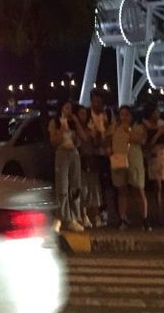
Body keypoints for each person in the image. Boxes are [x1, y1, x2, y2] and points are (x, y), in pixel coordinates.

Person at [108, 105, 150, 230]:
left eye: (127, 115)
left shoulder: (138, 127)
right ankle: (122, 218)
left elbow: (141, 141)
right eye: (122, 115)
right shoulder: (114, 128)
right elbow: (107, 140)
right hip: (119, 162)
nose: (124, 117)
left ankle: (144, 218)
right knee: (121, 190)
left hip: (134, 161)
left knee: (138, 189)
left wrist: (129, 131)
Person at [49, 99, 83, 232]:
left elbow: (81, 140)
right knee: (62, 188)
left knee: (75, 187)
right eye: (66, 108)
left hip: (74, 154)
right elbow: (53, 142)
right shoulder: (54, 122)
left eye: (70, 108)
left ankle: (75, 217)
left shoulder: (74, 123)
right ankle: (62, 217)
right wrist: (62, 129)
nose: (69, 111)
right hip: (62, 154)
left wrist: (76, 123)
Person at [74, 104, 102, 229]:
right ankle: (83, 215)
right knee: (83, 188)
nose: (84, 116)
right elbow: (83, 138)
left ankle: (95, 216)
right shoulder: (75, 129)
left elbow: (96, 143)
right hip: (81, 159)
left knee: (93, 189)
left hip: (91, 159)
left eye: (85, 114)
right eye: (81, 114)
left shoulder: (91, 127)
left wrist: (96, 133)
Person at [88, 89, 113, 225]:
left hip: (106, 154)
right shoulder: (87, 115)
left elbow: (111, 133)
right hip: (93, 154)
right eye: (94, 101)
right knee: (94, 184)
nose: (96, 104)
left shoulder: (107, 115)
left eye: (99, 102)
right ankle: (96, 212)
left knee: (107, 184)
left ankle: (106, 211)